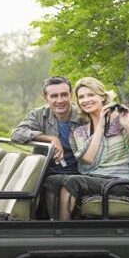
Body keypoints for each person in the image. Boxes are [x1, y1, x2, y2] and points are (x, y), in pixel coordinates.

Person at [57, 78, 129, 220]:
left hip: (122, 183)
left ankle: (62, 229)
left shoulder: (124, 118)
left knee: (72, 182)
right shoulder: (80, 131)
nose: (86, 100)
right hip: (96, 179)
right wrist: (100, 126)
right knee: (54, 181)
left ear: (102, 97)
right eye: (81, 97)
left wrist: (128, 127)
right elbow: (88, 160)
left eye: (91, 95)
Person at [11, 76, 82, 218]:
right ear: (45, 97)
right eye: (54, 96)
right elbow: (16, 133)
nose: (60, 100)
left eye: (64, 95)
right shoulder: (39, 114)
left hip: (78, 171)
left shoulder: (82, 115)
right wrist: (50, 138)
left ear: (71, 95)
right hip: (46, 170)